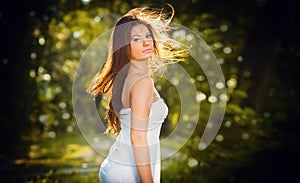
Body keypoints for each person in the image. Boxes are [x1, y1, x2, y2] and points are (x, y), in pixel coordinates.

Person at [87, 4, 186, 183]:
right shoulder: (142, 82)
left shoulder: (128, 77)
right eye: (137, 39)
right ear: (124, 46)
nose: (146, 42)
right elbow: (138, 137)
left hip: (117, 167)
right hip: (127, 172)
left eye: (148, 36)